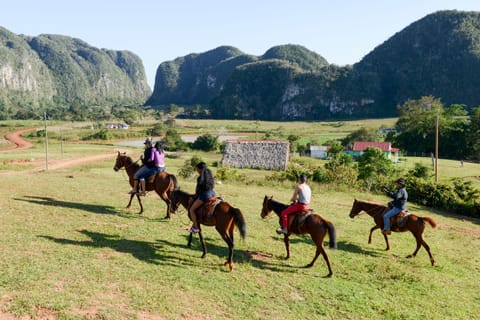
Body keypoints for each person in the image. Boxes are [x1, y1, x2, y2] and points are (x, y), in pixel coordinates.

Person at [189, 162, 216, 233]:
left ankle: (196, 227)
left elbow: (197, 191)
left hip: (205, 195)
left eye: (197, 169)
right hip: (213, 193)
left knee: (192, 210)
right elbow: (213, 186)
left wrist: (193, 197)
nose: (196, 170)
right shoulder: (210, 174)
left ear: (200, 169)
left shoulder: (200, 178)